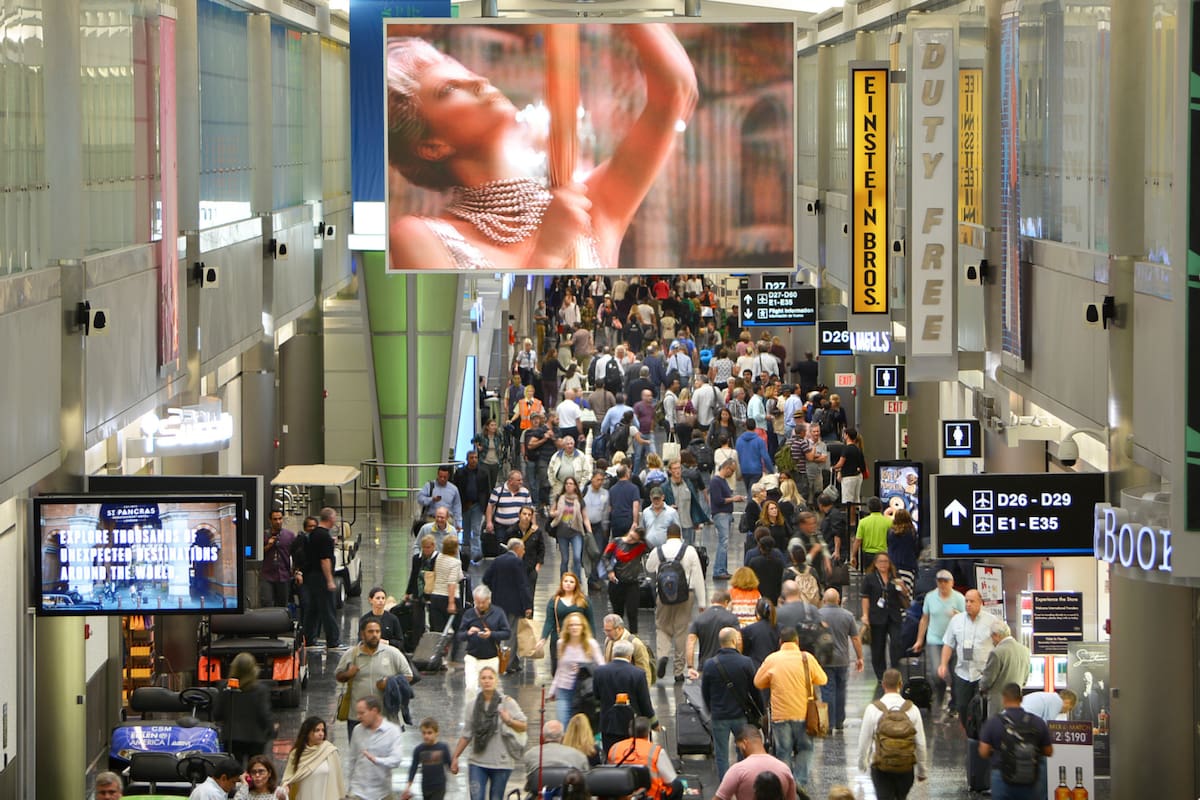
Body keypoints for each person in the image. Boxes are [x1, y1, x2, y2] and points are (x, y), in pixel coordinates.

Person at [387, 24, 699, 272]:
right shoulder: (420, 237)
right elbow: (469, 342)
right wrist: (547, 254)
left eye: (468, 73)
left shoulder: (589, 205)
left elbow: (675, 90)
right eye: (449, 89)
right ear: (432, 146)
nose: (479, 81)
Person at [753, 627, 827, 793]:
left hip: (781, 715)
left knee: (783, 751)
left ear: (780, 642)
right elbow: (822, 679)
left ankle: (785, 785)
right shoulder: (806, 658)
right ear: (797, 641)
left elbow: (758, 682)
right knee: (806, 749)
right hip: (804, 714)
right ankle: (799, 784)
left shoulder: (772, 659)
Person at [452, 666, 528, 800]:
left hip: (501, 762)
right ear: (479, 681)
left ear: (496, 681)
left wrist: (509, 721)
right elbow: (467, 734)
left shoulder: (507, 703)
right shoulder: (472, 706)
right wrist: (455, 757)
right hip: (477, 761)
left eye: (490, 678)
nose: (487, 681)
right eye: (483, 678)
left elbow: (523, 726)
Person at [645, 523, 707, 683]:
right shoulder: (689, 551)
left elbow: (649, 567)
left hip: (663, 595)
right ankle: (679, 670)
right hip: (686, 595)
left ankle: (663, 656)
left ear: (667, 535)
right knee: (681, 630)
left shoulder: (658, 551)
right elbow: (698, 576)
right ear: (680, 535)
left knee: (662, 627)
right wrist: (702, 602)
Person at [702, 628, 766, 781]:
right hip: (741, 715)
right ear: (734, 641)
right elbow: (755, 690)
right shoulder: (745, 662)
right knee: (743, 750)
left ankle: (726, 784)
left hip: (719, 716)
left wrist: (712, 710)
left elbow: (705, 692)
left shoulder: (710, 664)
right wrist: (761, 711)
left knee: (721, 754)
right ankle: (742, 780)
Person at [857, 668, 928, 799]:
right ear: (900, 685)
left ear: (883, 684)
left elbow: (864, 740)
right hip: (905, 767)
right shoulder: (912, 709)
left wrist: (863, 764)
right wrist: (922, 770)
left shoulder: (873, 709)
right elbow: (920, 743)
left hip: (881, 767)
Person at [335, 619, 413, 736]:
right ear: (362, 634)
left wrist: (391, 682)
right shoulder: (351, 654)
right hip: (358, 718)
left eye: (377, 631)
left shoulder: (392, 653)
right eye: (370, 632)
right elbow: (339, 676)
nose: (374, 635)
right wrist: (348, 674)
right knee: (359, 753)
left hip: (386, 717)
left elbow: (408, 676)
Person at [978, 683, 1054, 800]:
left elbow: (983, 752)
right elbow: (1048, 751)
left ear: (1004, 698)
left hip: (1002, 777)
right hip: (1030, 778)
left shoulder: (994, 722)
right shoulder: (1037, 722)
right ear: (1022, 698)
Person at [940, 589, 997, 725]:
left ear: (980, 603)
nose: (968, 604)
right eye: (966, 601)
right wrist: (943, 664)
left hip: (982, 674)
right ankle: (969, 735)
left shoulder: (992, 621)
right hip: (963, 673)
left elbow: (1000, 644)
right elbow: (948, 644)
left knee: (982, 710)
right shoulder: (956, 620)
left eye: (972, 601)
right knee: (962, 708)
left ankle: (981, 738)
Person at [912, 569, 965, 715]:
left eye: (945, 582)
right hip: (935, 639)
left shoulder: (959, 598)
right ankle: (940, 694)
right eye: (940, 581)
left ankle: (954, 704)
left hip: (954, 641)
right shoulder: (930, 597)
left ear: (951, 583)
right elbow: (925, 618)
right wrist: (919, 640)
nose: (942, 585)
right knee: (937, 672)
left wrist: (958, 615)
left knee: (955, 673)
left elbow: (966, 619)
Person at [594, 639, 658, 756]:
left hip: (609, 725)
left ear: (613, 653)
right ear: (630, 656)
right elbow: (644, 702)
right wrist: (654, 723)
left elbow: (597, 698)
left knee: (611, 756)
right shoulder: (638, 674)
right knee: (631, 756)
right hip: (632, 726)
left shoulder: (599, 672)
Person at [214, 652, 275, 765]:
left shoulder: (225, 688)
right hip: (255, 738)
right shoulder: (260, 690)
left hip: (232, 738)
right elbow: (264, 714)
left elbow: (217, 714)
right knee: (255, 773)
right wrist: (271, 730)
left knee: (234, 773)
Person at [818, 588, 864, 732]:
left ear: (824, 600)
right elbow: (855, 638)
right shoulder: (848, 615)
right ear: (838, 600)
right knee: (841, 690)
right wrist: (860, 657)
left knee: (827, 691)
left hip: (825, 659)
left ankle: (829, 723)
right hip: (842, 659)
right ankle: (839, 721)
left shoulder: (818, 615)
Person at [606, 717, 684, 800]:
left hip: (622, 796)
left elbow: (610, 774)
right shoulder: (656, 751)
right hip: (650, 796)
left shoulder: (615, 747)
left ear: (629, 731)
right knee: (677, 785)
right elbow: (670, 780)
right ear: (648, 731)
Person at [861, 553, 908, 686]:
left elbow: (904, 594)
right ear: (875, 564)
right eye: (881, 562)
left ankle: (895, 671)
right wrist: (865, 615)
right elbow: (865, 597)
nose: (883, 564)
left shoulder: (894, 577)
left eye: (886, 562)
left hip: (893, 615)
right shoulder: (870, 578)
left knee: (896, 642)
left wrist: (902, 587)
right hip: (877, 616)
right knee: (877, 647)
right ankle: (881, 676)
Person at [551, 612, 606, 726]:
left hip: (583, 691)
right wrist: (553, 690)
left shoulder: (591, 644)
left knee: (579, 726)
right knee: (563, 724)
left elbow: (602, 667)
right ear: (567, 627)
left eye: (577, 625)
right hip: (564, 689)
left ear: (583, 627)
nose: (574, 628)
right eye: (571, 625)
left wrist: (584, 668)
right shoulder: (561, 643)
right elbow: (560, 668)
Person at [713, 725, 796, 800]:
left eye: (739, 747)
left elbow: (719, 798)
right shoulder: (784, 769)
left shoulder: (737, 770)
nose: (740, 751)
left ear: (744, 743)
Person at [346, 697, 405, 800]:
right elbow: (352, 759)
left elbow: (396, 760)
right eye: (357, 713)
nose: (358, 717)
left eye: (362, 713)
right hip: (358, 792)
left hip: (382, 792)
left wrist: (376, 760)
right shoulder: (357, 730)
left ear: (374, 711)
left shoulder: (392, 731)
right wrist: (348, 787)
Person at [458, 585, 513, 694]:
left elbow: (507, 633)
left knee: (490, 691)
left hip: (491, 658)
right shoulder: (469, 614)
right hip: (472, 657)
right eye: (478, 602)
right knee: (470, 688)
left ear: (489, 599)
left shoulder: (498, 613)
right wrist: (468, 633)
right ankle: (471, 710)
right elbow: (460, 635)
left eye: (483, 602)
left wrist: (491, 634)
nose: (481, 605)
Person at [539, 572, 596, 673]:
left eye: (571, 582)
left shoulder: (583, 600)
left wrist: (592, 640)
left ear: (576, 585)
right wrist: (543, 638)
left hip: (579, 639)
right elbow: (549, 621)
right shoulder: (554, 601)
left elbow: (590, 621)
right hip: (559, 638)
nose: (568, 583)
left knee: (577, 669)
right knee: (557, 670)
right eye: (566, 581)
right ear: (561, 583)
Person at [303, 507, 342, 650]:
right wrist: (330, 580)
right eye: (335, 518)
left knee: (313, 609)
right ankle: (333, 641)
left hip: (311, 576)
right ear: (331, 519)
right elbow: (325, 560)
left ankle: (309, 638)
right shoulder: (324, 537)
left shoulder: (313, 534)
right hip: (321, 577)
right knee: (328, 608)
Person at [281, 717, 346, 800]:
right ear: (307, 732)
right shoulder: (296, 753)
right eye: (317, 730)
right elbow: (288, 778)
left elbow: (337, 781)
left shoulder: (330, 751)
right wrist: (286, 786)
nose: (321, 733)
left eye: (323, 730)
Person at [979, 618, 1033, 715]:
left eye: (992, 638)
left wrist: (981, 685)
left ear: (996, 636)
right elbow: (1025, 679)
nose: (992, 642)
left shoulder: (996, 653)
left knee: (997, 728)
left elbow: (987, 681)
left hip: (998, 703)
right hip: (1017, 701)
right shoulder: (1025, 650)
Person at [602, 527, 649, 635]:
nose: (630, 540)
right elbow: (605, 557)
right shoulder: (616, 541)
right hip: (617, 582)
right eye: (630, 536)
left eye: (633, 539)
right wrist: (609, 571)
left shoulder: (640, 546)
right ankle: (617, 637)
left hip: (632, 583)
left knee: (632, 613)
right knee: (617, 614)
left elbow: (652, 547)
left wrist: (643, 540)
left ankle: (634, 638)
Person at [686, 590, 741, 677]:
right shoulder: (731, 618)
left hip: (705, 667)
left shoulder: (700, 618)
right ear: (726, 602)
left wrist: (690, 667)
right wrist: (738, 659)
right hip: (727, 666)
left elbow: (690, 643)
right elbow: (738, 640)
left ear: (712, 601)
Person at [708, 459, 745, 581]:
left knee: (724, 543)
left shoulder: (722, 481)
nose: (732, 474)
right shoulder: (715, 481)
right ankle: (718, 570)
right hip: (721, 514)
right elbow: (718, 500)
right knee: (723, 543)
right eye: (732, 471)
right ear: (727, 468)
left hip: (726, 514)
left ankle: (722, 569)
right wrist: (733, 499)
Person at [550, 475, 592, 578]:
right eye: (567, 484)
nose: (568, 486)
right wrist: (555, 513)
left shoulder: (580, 500)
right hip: (562, 533)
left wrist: (589, 532)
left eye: (571, 484)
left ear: (575, 486)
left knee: (577, 557)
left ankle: (577, 581)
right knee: (565, 559)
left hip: (576, 532)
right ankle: (563, 582)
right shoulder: (559, 498)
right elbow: (551, 512)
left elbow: (585, 517)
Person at [402, 717, 454, 800]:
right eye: (424, 733)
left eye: (429, 733)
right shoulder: (419, 750)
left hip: (439, 786)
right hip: (425, 786)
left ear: (436, 733)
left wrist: (454, 768)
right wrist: (408, 787)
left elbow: (450, 765)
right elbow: (413, 768)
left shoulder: (443, 748)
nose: (426, 736)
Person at [524, 718, 590, 779]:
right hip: (568, 790)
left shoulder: (529, 755)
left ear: (543, 736)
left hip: (539, 790)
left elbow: (529, 777)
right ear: (563, 737)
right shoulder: (579, 756)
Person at [602, 613, 654, 687]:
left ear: (619, 628)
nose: (606, 633)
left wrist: (644, 693)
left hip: (630, 689)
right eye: (605, 630)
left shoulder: (636, 644)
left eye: (609, 630)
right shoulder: (608, 640)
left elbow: (644, 673)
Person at [427, 535, 464, 635]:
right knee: (458, 629)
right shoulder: (456, 563)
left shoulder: (438, 558)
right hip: (449, 597)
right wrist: (451, 603)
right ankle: (456, 649)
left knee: (438, 630)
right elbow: (452, 582)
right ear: (455, 548)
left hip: (435, 596)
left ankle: (439, 650)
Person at [261, 509, 295, 608]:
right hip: (267, 575)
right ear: (270, 520)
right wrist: (268, 545)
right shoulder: (263, 535)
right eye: (275, 519)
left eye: (280, 518)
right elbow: (257, 554)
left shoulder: (289, 535)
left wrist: (296, 571)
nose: (278, 521)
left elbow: (295, 554)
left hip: (284, 575)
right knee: (267, 602)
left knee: (282, 605)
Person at [485, 470, 532, 540]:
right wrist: (489, 522)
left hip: (518, 528)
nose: (521, 482)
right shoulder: (498, 491)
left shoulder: (525, 492)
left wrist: (533, 525)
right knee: (502, 548)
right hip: (501, 528)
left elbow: (530, 509)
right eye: (518, 480)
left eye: (521, 480)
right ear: (511, 481)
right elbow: (490, 506)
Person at [830, 428, 865, 520]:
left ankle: (849, 522)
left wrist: (833, 468)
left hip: (848, 477)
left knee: (848, 501)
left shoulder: (846, 448)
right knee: (856, 500)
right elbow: (862, 465)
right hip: (858, 476)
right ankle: (856, 520)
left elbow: (841, 463)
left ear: (847, 435)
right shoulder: (858, 449)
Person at [360, 586, 405, 651]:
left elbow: (400, 642)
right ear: (370, 600)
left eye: (383, 598)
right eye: (378, 598)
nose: (381, 601)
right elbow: (361, 641)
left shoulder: (393, 619)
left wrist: (387, 642)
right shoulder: (365, 619)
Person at [851, 497, 890, 573]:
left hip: (868, 554)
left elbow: (858, 540)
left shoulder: (863, 522)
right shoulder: (888, 522)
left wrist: (853, 555)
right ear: (881, 507)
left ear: (869, 508)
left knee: (870, 578)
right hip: (883, 553)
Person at [740, 598, 780, 670]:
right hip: (775, 668)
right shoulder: (781, 628)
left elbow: (744, 652)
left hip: (755, 669)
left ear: (757, 613)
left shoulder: (748, 630)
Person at [887, 509, 920, 593]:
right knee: (907, 593)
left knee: (894, 593)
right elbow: (916, 549)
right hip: (908, 566)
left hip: (893, 566)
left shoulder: (890, 532)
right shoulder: (912, 533)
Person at [607, 464, 643, 542]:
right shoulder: (634, 488)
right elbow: (635, 506)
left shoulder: (612, 489)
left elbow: (610, 508)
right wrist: (635, 522)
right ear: (627, 474)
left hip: (616, 521)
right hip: (628, 520)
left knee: (618, 544)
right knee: (629, 544)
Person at [735, 421, 772, 494]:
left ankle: (750, 503)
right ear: (755, 427)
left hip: (744, 469)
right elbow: (765, 456)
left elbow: (737, 455)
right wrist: (771, 470)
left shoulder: (739, 440)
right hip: (756, 469)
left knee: (748, 490)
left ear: (745, 427)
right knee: (753, 492)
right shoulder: (759, 440)